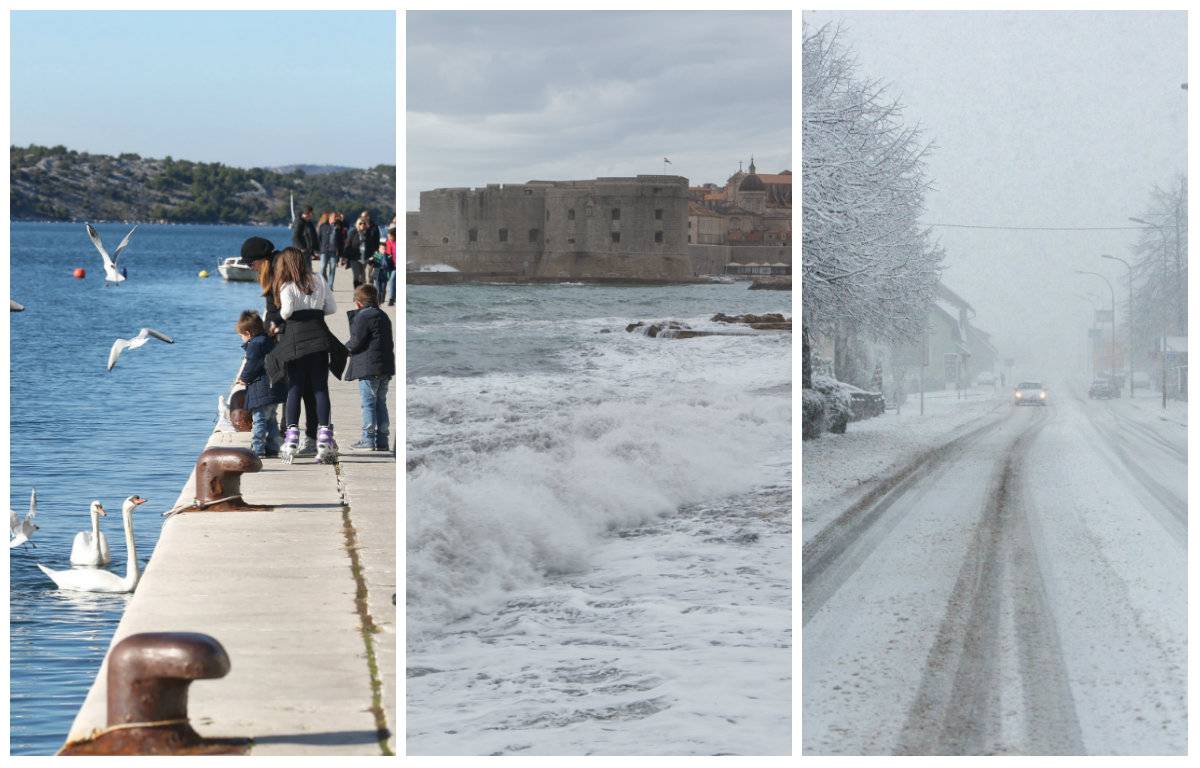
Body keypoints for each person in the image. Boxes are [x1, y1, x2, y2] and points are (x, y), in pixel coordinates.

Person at [265, 247, 348, 464]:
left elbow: (286, 312)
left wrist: (283, 310)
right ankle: (324, 437)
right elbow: (331, 308)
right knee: (320, 388)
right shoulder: (319, 279)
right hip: (320, 339)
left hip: (296, 342)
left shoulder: (287, 285)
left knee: (294, 388)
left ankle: (292, 437)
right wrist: (314, 308)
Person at [239, 236, 321, 456]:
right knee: (303, 389)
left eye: (251, 263)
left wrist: (272, 329)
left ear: (260, 259)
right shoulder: (273, 268)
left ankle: (295, 437)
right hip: (295, 333)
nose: (251, 268)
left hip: (289, 335)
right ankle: (299, 437)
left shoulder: (278, 269)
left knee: (295, 388)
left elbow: (281, 308)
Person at [345, 284, 395, 451]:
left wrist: (342, 349)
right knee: (381, 402)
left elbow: (356, 342)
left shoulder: (363, 316)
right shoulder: (383, 315)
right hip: (384, 367)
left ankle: (367, 440)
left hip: (369, 368)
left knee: (368, 404)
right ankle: (382, 441)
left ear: (358, 302)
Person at [235, 310, 288, 457]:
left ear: (248, 333)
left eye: (241, 336)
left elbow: (252, 364)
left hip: (262, 390)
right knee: (271, 420)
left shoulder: (255, 345)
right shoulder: (267, 340)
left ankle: (257, 449)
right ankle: (273, 446)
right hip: (274, 388)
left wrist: (243, 378)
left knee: (259, 420)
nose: (241, 339)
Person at [344, 214, 380, 289]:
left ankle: (362, 293)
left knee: (362, 276)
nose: (362, 225)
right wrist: (345, 257)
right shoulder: (353, 232)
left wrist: (374, 256)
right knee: (356, 275)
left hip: (365, 257)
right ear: (357, 224)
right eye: (360, 223)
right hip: (354, 257)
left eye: (364, 223)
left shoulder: (368, 233)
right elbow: (348, 244)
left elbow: (372, 245)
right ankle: (356, 293)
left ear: (366, 224)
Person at [318, 211, 342, 289]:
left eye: (336, 217)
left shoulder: (338, 227)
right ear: (330, 217)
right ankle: (322, 284)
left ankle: (330, 286)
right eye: (334, 217)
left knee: (333, 268)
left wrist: (340, 253)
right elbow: (319, 238)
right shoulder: (323, 226)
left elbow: (341, 240)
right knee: (322, 268)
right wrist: (318, 250)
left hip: (334, 251)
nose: (335, 218)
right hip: (324, 250)